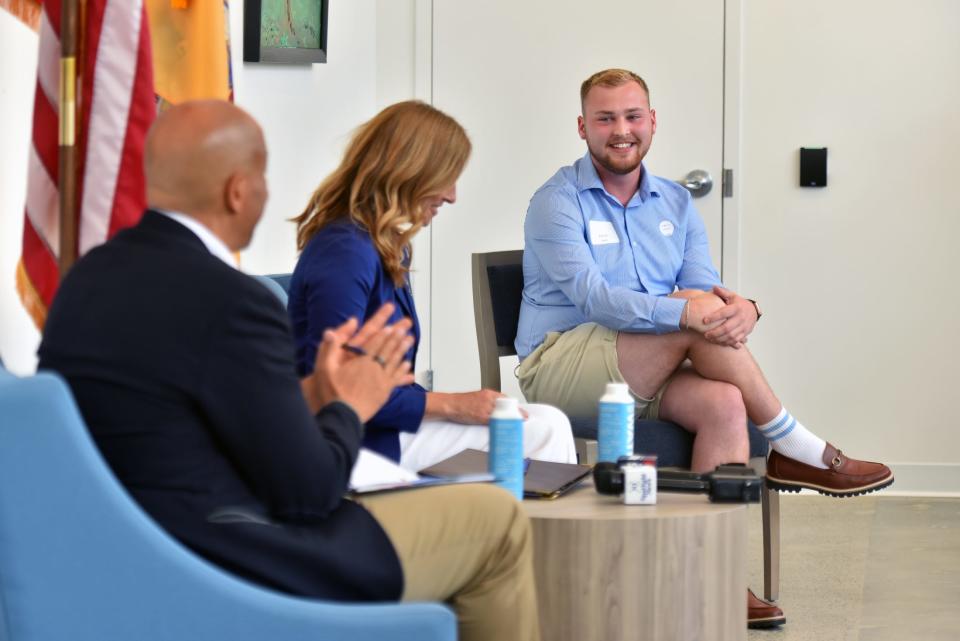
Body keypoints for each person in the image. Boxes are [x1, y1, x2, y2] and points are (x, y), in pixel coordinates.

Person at [38, 100, 541, 641]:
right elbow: (310, 492)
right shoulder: (234, 301)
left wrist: (305, 393)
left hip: (118, 548)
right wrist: (347, 404)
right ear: (238, 190)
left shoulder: (85, 280)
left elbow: (177, 413)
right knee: (499, 521)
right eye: (262, 177)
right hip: (231, 553)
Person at [516, 68, 895, 628]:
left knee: (724, 402)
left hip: (647, 360)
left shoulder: (673, 201)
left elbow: (704, 289)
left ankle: (708, 573)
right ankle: (796, 446)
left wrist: (743, 307)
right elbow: (595, 300)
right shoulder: (557, 200)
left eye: (631, 116)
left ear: (652, 122)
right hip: (563, 362)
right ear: (582, 127)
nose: (620, 130)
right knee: (692, 315)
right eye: (605, 118)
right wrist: (694, 314)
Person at [289, 100, 577, 472]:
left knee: (544, 421)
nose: (452, 195)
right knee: (542, 431)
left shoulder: (384, 247)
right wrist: (454, 405)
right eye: (447, 176)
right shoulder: (345, 253)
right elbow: (336, 388)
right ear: (411, 171)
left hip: (385, 429)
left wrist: (453, 405)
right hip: (354, 445)